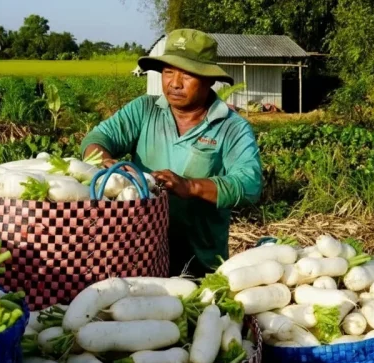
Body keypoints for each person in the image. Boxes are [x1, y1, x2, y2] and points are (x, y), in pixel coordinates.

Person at [80, 29, 263, 277]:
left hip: (200, 265)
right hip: (137, 255)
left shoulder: (231, 127)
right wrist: (104, 162)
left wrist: (190, 187)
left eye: (186, 74)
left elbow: (250, 184)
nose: (174, 83)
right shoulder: (144, 110)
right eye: (168, 72)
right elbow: (98, 139)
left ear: (209, 79)